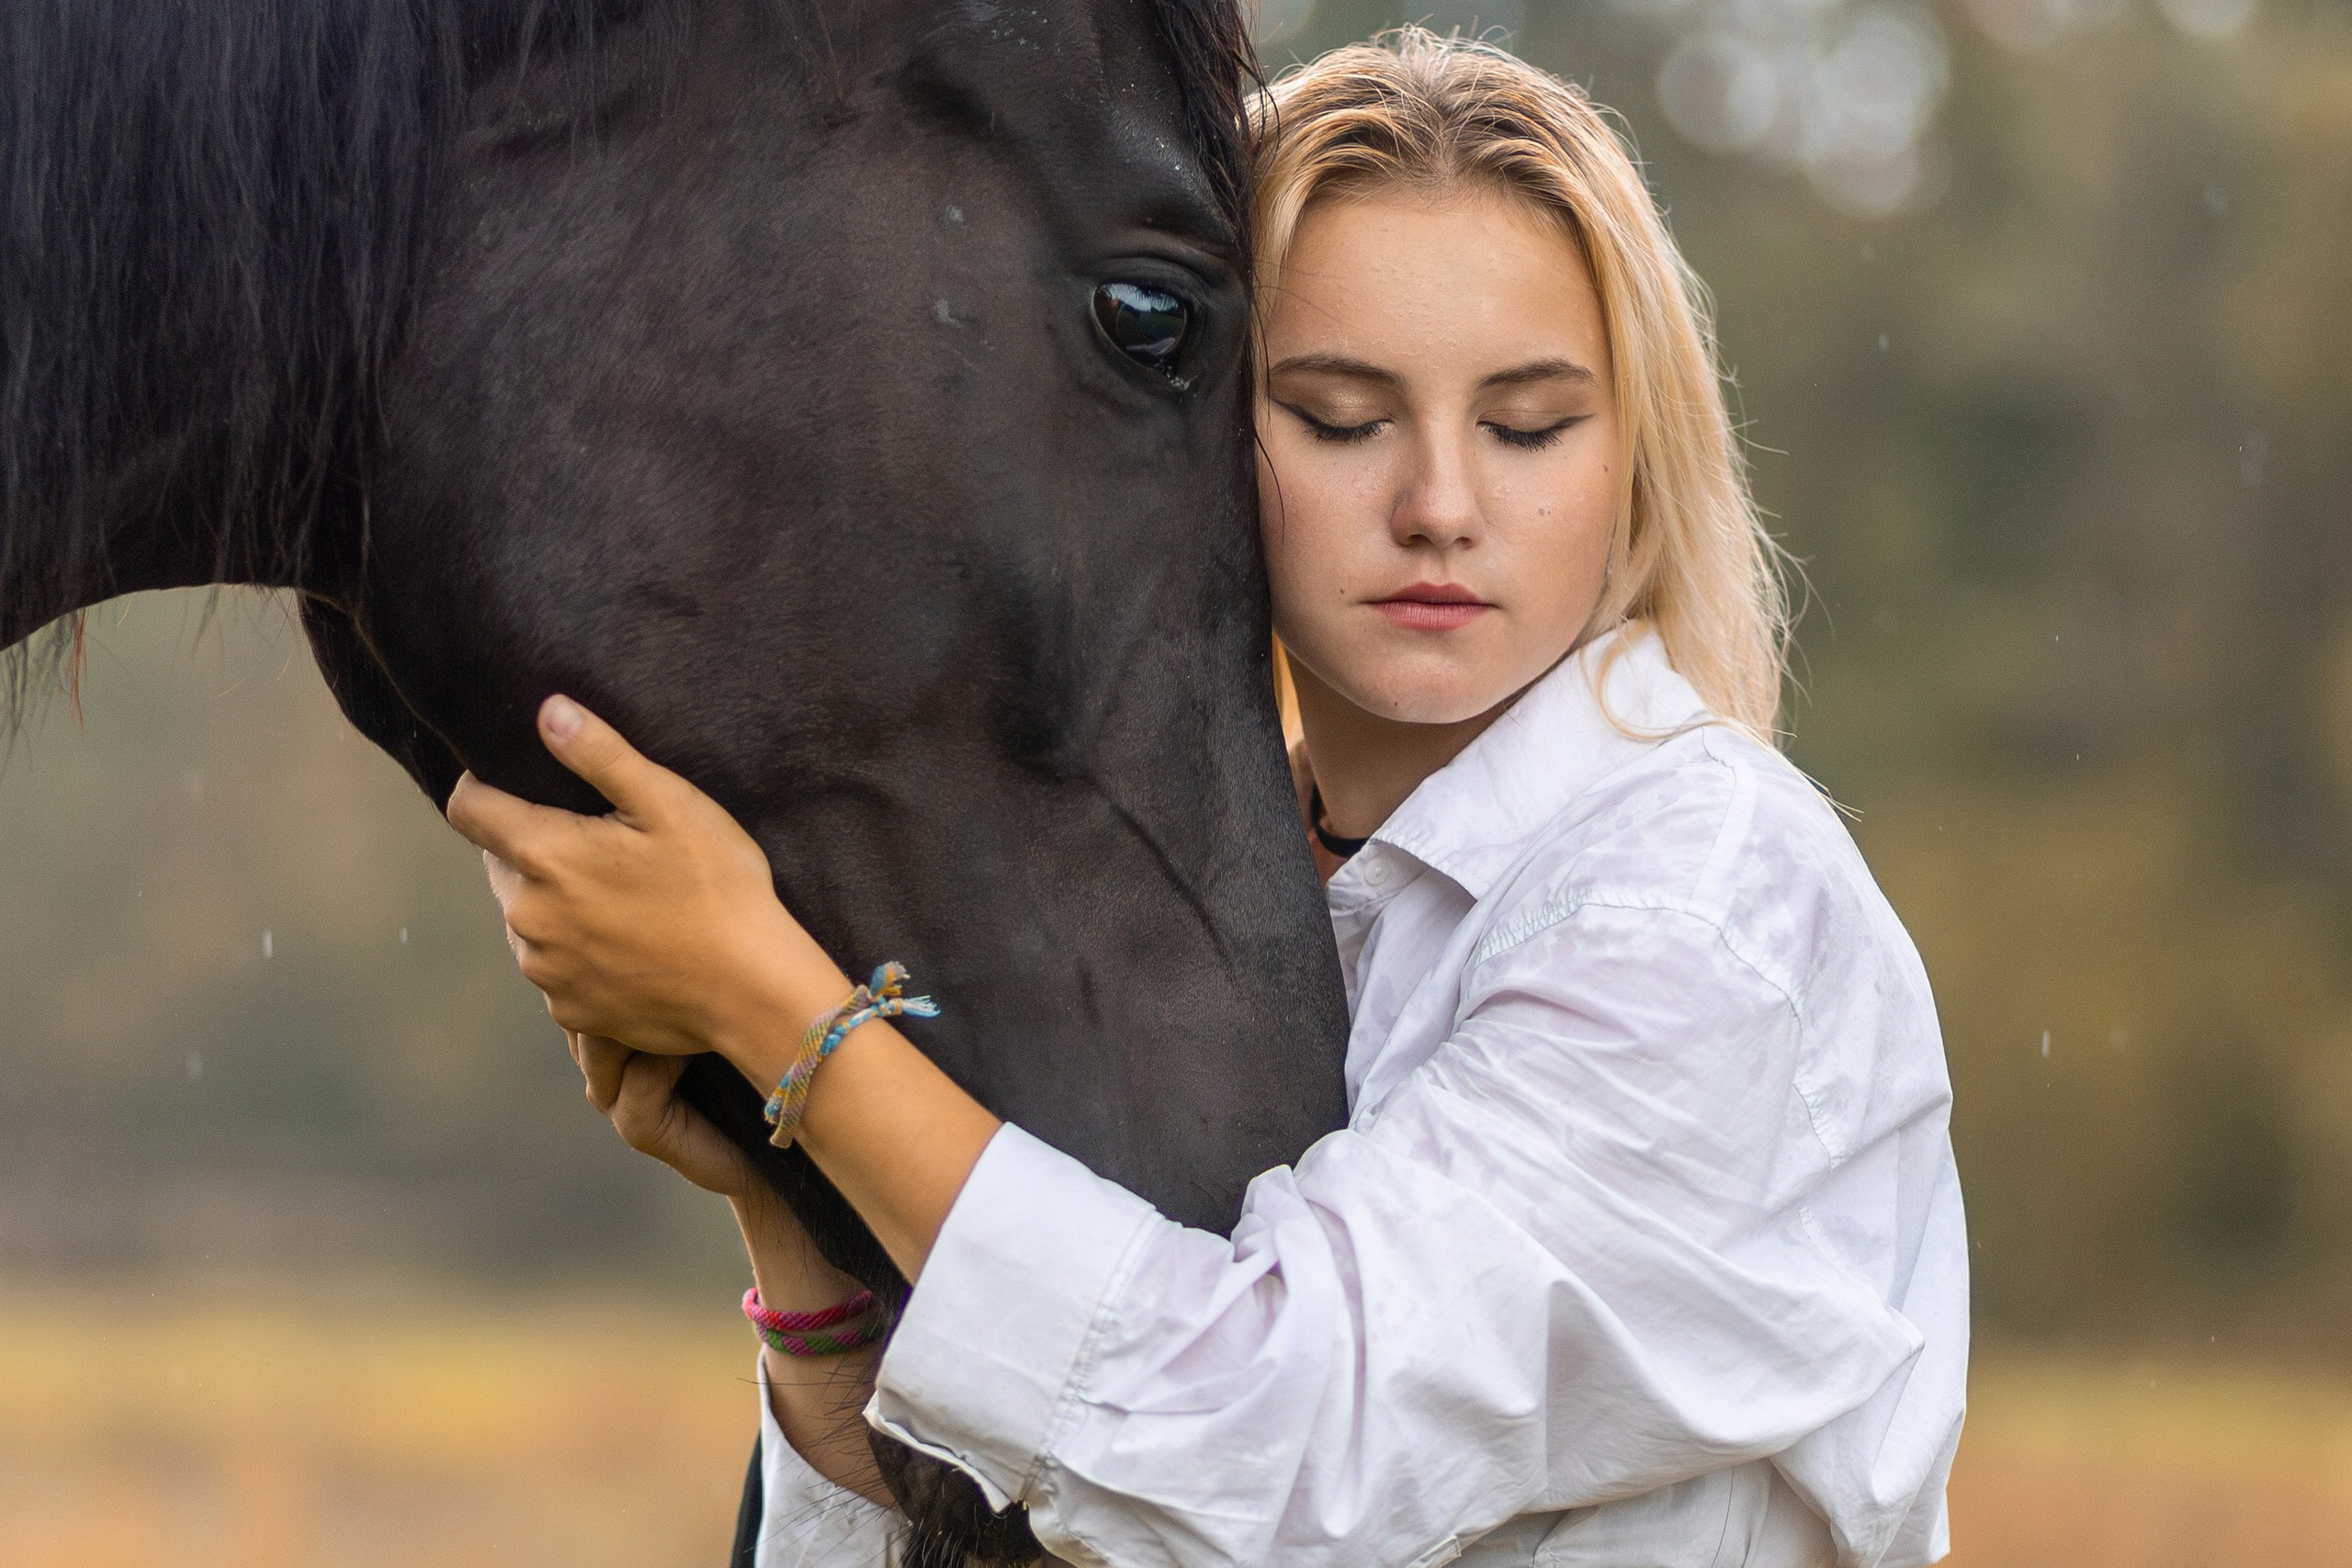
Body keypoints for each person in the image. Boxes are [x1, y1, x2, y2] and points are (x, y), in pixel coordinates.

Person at [448, 29, 1967, 1568]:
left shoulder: (1700, 901)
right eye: (1340, 416)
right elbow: (1074, 1507)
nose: (1441, 504)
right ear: (1191, 444)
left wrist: (784, 1017)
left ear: (1635, 457)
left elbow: (1275, 1454)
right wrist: (811, 1243)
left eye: (1526, 426)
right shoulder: (1178, 917)